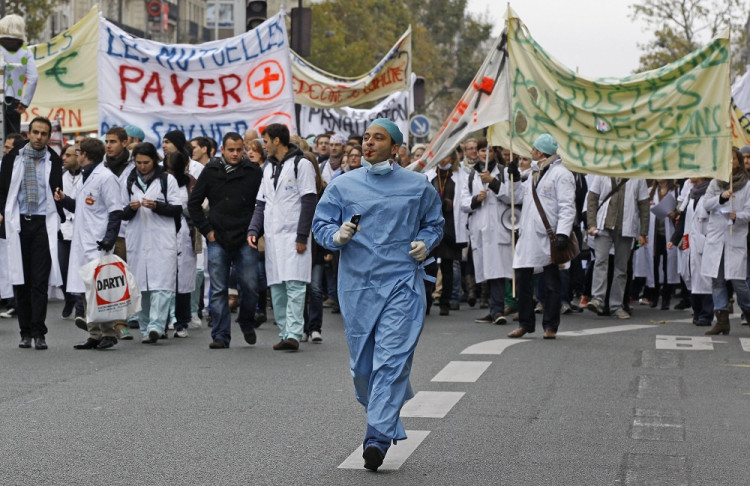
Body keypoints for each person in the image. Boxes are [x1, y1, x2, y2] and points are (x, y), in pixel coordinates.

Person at [312, 118, 443, 471]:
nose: (368, 143)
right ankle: (385, 418)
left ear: (395, 147)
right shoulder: (342, 185)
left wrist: (425, 242)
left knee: (392, 359)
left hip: (402, 283)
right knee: (363, 367)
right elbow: (320, 224)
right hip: (357, 286)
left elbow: (434, 223)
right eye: (366, 136)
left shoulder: (418, 185)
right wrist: (336, 237)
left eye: (378, 138)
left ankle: (377, 437)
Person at [188, 132, 262, 349]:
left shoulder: (253, 171)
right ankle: (220, 334)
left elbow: (263, 204)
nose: (236, 154)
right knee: (219, 288)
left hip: (245, 236)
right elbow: (194, 203)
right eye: (231, 150)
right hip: (218, 237)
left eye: (239, 149)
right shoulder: (211, 171)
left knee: (250, 285)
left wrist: (256, 231)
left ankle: (247, 321)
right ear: (223, 150)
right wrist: (207, 231)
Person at [248, 124, 316, 351]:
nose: (263, 145)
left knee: (295, 286)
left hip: (294, 235)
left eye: (265, 141)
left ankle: (295, 334)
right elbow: (261, 203)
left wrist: (302, 235)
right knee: (277, 288)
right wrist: (253, 231)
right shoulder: (267, 168)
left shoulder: (302, 164)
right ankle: (285, 331)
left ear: (277, 141)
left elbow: (309, 201)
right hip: (274, 237)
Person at [0, 117, 64, 350]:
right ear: (29, 133)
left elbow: (58, 190)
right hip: (18, 224)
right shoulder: (13, 158)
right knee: (21, 279)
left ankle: (39, 332)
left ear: (48, 137)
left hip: (42, 225)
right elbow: (3, 189)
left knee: (39, 281)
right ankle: (24, 332)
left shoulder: (53, 160)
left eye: (44, 133)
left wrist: (61, 202)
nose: (39, 137)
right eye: (35, 132)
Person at [55, 138, 123, 350]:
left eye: (76, 152)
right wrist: (64, 199)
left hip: (98, 242)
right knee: (87, 289)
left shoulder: (105, 178)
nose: (73, 155)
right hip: (82, 241)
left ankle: (109, 333)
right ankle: (94, 334)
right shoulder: (86, 177)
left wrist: (110, 238)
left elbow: (115, 211)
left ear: (83, 154)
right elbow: (82, 208)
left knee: (99, 289)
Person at [507, 134, 576, 340]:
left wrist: (563, 232)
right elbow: (519, 198)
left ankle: (550, 325)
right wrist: (515, 179)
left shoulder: (561, 174)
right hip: (528, 236)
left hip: (548, 238)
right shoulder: (534, 173)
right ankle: (526, 323)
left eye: (534, 149)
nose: (531, 152)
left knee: (550, 283)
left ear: (542, 152)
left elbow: (567, 206)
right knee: (522, 280)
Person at [121, 143, 182, 343]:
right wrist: (130, 209)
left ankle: (157, 325)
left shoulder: (167, 179)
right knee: (143, 287)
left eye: (146, 162)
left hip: (162, 239)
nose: (142, 166)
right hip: (138, 240)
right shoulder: (129, 180)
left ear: (154, 161)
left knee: (162, 285)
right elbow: (122, 213)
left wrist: (156, 206)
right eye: (138, 163)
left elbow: (176, 208)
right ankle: (146, 328)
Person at [461, 139, 515, 324]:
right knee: (487, 271)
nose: (484, 153)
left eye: (488, 150)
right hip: (480, 229)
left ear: (494, 153)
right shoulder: (471, 175)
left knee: (498, 271)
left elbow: (512, 197)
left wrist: (492, 182)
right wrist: (476, 198)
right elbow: (463, 203)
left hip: (498, 228)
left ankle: (498, 309)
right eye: (481, 150)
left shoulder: (504, 172)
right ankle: (494, 309)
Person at [701, 147, 750, 335]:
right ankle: (721, 319)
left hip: (734, 237)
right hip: (716, 240)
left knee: (739, 282)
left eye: (733, 159)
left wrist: (737, 216)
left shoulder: (746, 185)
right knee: (717, 280)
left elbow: (748, 211)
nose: (730, 163)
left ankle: (747, 309)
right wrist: (721, 198)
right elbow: (706, 204)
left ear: (738, 161)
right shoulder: (716, 183)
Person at [585, 176, 649, 319]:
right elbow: (592, 199)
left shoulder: (637, 176)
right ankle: (597, 299)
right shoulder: (604, 170)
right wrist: (591, 224)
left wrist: (643, 232)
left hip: (626, 228)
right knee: (600, 261)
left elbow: (644, 205)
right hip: (603, 225)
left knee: (621, 268)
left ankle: (616, 305)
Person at [669, 177, 713, 326]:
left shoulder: (711, 193)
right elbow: (682, 219)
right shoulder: (691, 193)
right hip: (689, 241)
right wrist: (674, 239)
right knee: (690, 277)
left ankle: (706, 315)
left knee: (704, 280)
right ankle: (697, 311)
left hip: (704, 242)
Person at [0, 15, 37, 137]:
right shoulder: (25, 51)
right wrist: (25, 103)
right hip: (13, 102)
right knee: (12, 141)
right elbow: (33, 78)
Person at [59, 144, 84, 320]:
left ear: (78, 156)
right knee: (61, 268)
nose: (64, 158)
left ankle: (80, 304)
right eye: (63, 155)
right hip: (62, 229)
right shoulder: (60, 176)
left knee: (80, 269)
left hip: (81, 230)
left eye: (68, 155)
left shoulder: (87, 176)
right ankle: (69, 298)